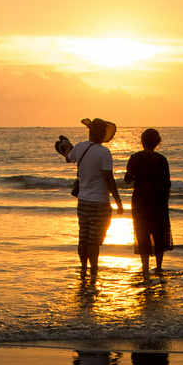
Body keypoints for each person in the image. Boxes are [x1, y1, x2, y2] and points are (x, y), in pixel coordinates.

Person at [54, 117, 123, 274]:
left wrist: (66, 148)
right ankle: (94, 271)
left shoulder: (79, 147)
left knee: (83, 237)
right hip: (99, 202)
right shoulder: (104, 153)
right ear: (103, 134)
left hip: (83, 201)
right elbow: (108, 178)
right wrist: (118, 201)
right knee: (94, 240)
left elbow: (68, 158)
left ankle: (84, 269)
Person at [122, 127, 172, 274]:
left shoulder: (135, 158)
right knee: (159, 233)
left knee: (142, 231)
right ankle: (159, 267)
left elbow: (127, 180)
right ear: (157, 143)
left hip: (141, 198)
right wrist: (165, 201)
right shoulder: (162, 160)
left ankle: (144, 268)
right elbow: (167, 185)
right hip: (159, 198)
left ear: (142, 142)